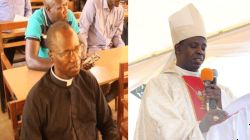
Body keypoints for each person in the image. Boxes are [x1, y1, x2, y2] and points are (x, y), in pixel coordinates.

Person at [134, 4, 235, 140]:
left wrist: (221, 101)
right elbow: (161, 128)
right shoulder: (160, 85)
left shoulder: (218, 88)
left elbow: (240, 120)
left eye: (203, 47)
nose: (200, 51)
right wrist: (202, 126)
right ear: (178, 49)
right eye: (194, 46)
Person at [21, 21, 119, 140]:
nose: (75, 59)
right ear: (51, 55)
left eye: (77, 49)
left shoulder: (88, 80)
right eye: (66, 53)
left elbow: (108, 124)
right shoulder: (37, 99)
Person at [25, 0, 79, 71]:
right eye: (60, 8)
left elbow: (79, 45)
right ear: (48, 9)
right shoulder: (36, 20)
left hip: (67, 68)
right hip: (44, 69)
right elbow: (31, 61)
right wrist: (62, 66)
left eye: (66, 4)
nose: (65, 10)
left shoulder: (69, 16)